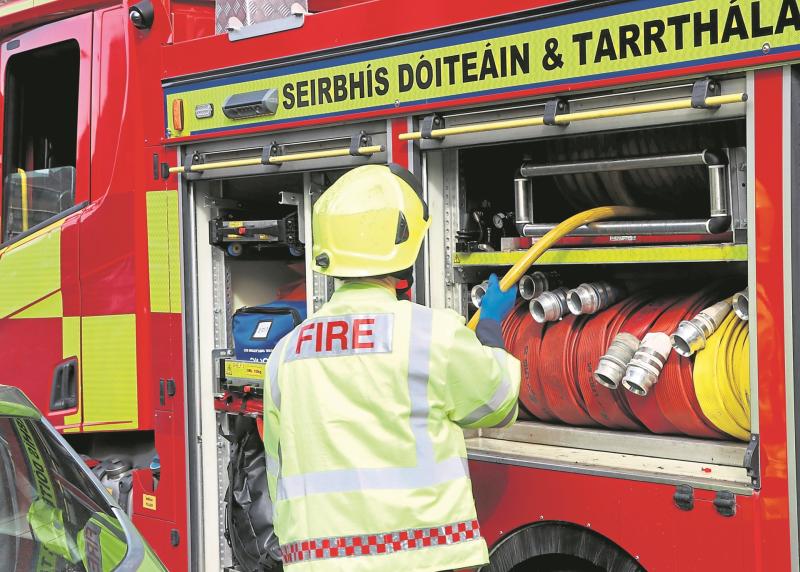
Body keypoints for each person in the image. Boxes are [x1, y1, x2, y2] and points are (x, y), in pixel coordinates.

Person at [263, 164, 521, 571]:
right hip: (424, 558)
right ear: (405, 252)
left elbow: (279, 465)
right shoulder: (430, 333)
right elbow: (499, 404)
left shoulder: (286, 353)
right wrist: (489, 324)